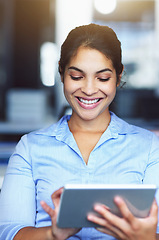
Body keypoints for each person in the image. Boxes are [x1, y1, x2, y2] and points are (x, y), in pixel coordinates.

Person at [0, 23, 159, 240]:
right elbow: (7, 233)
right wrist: (52, 234)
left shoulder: (149, 147)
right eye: (76, 76)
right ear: (61, 73)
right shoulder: (30, 148)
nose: (89, 89)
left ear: (119, 76)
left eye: (103, 78)